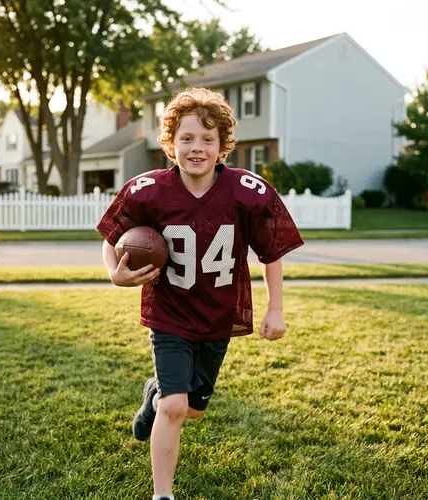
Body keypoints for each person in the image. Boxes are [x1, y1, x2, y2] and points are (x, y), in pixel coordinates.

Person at [97, 88, 304, 500]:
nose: (197, 148)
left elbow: (272, 252)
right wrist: (114, 275)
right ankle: (162, 494)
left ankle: (154, 394)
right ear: (171, 144)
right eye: (187, 138)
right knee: (175, 408)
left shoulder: (247, 191)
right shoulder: (149, 190)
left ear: (223, 145)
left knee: (189, 408)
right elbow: (112, 238)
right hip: (169, 313)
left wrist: (275, 308)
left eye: (208, 139)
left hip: (219, 316)